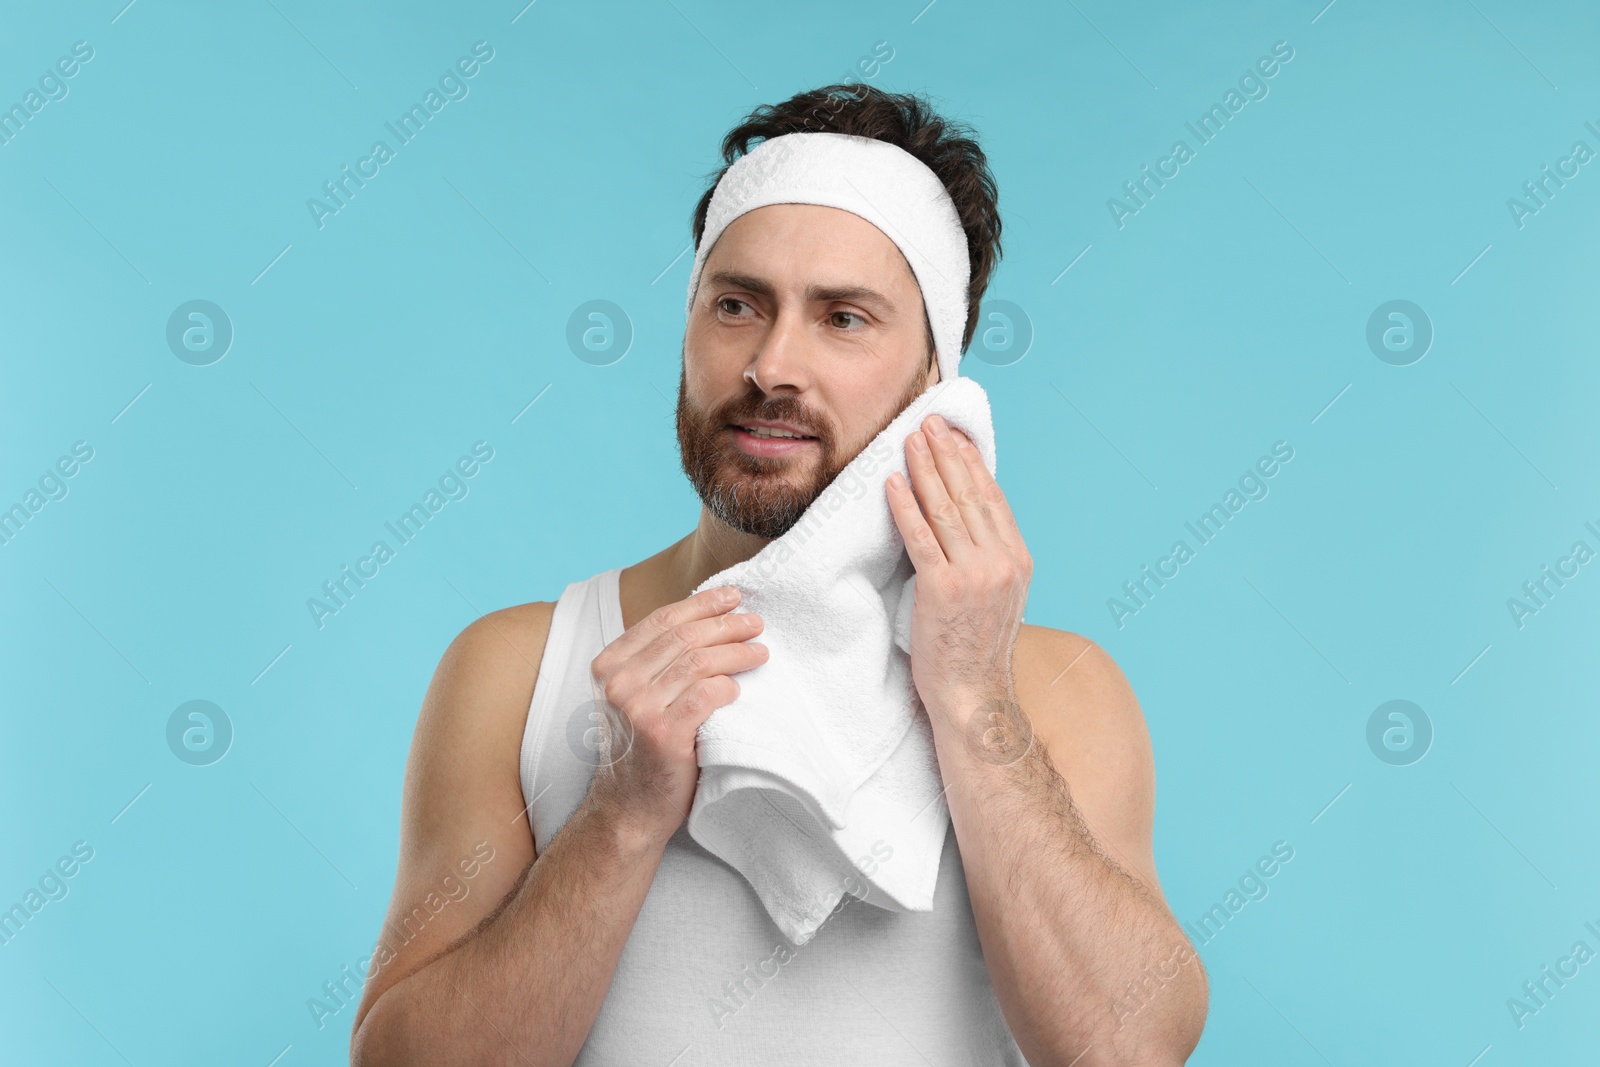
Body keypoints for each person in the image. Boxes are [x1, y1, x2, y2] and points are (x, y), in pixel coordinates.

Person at [350, 84, 1208, 1066]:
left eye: (843, 317)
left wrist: (971, 699)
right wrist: (620, 814)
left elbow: (1127, 1049)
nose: (771, 364)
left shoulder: (1056, 691)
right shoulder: (519, 668)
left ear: (938, 376)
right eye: (735, 304)